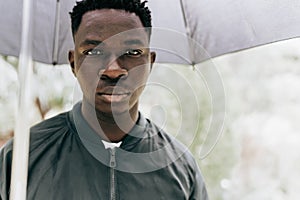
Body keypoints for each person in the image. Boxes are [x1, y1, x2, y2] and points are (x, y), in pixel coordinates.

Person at [0, 0, 209, 199]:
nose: (113, 70)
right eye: (93, 51)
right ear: (74, 63)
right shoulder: (20, 159)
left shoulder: (181, 169)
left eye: (132, 52)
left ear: (150, 63)